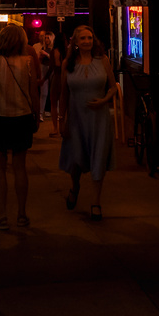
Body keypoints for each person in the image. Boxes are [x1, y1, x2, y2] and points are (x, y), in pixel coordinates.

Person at [0, 23, 40, 230]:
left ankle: (0, 215)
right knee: (20, 167)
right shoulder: (29, 62)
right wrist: (37, 115)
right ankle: (22, 214)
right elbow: (34, 93)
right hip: (23, 117)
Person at [58, 25, 115, 221]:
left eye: (90, 38)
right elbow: (63, 94)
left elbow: (113, 87)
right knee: (75, 159)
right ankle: (75, 187)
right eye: (82, 39)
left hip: (98, 119)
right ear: (75, 42)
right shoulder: (68, 64)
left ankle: (96, 202)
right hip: (76, 118)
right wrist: (61, 120)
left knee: (98, 157)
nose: (87, 42)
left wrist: (104, 100)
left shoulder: (103, 60)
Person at [47, 30, 68, 137]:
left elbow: (51, 67)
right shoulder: (67, 51)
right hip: (66, 78)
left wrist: (43, 79)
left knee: (54, 103)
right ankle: (64, 126)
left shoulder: (53, 51)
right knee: (66, 103)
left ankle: (55, 128)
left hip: (56, 77)